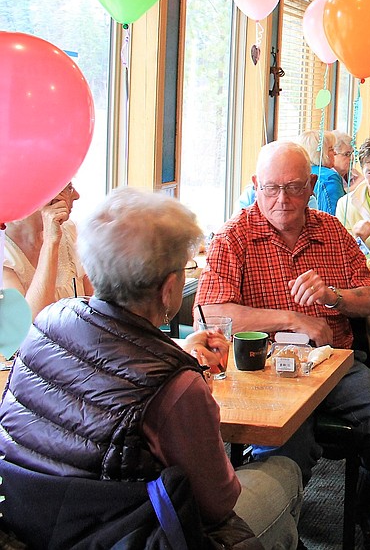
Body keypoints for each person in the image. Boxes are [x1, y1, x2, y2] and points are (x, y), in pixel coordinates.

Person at [0, 188, 302, 549]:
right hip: (125, 535)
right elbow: (219, 502)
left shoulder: (47, 321)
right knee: (285, 473)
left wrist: (176, 349)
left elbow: (104, 359)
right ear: (170, 288)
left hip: (27, 526)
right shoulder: (176, 385)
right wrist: (179, 368)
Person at [196, 141, 370, 550]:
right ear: (255, 185)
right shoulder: (234, 237)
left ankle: (369, 504)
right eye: (271, 188)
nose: (282, 199)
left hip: (333, 365)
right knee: (286, 449)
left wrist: (333, 296)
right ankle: (279, 528)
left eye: (294, 187)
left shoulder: (331, 231)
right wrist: (292, 318)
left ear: (312, 185)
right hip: (265, 371)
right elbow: (210, 312)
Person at [2, 182, 92, 318]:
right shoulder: (5, 254)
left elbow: (95, 307)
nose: (76, 196)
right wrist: (50, 242)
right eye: (69, 188)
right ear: (42, 197)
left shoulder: (72, 232)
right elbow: (27, 326)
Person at [297, 129, 344, 216]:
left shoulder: (299, 174)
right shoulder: (330, 177)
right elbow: (336, 217)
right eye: (331, 149)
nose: (335, 152)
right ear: (319, 153)